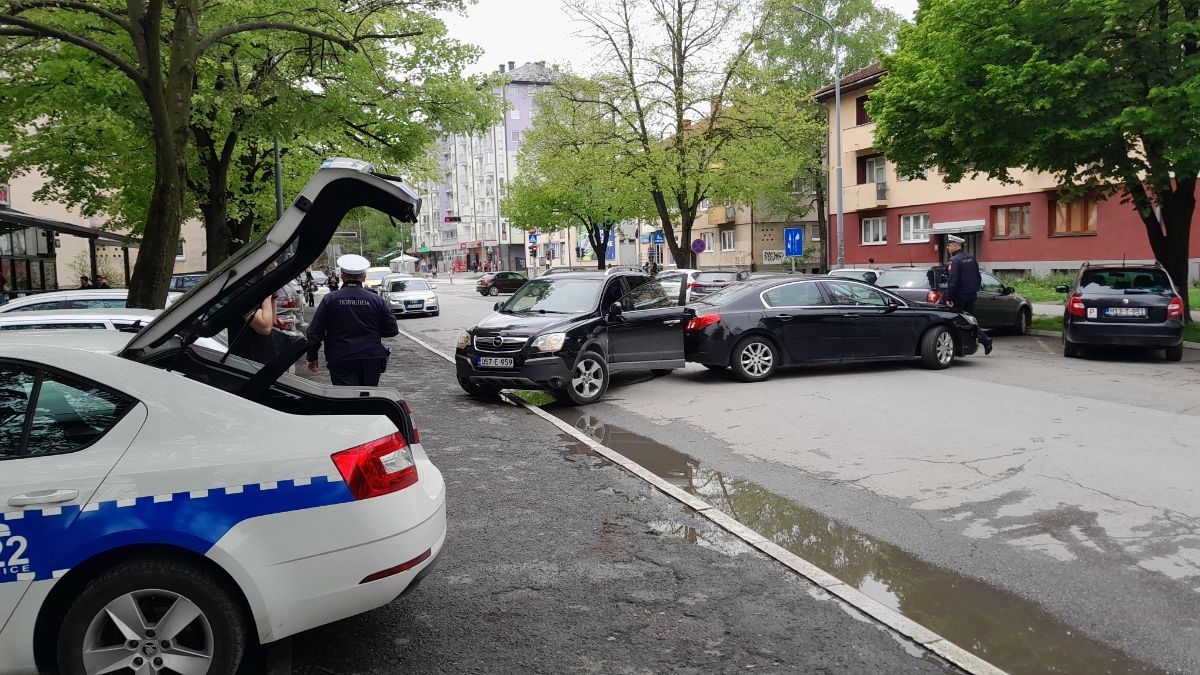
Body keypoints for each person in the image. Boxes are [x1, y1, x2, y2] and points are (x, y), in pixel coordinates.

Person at [305, 254, 399, 386]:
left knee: (347, 400)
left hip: (341, 358)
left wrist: (312, 356)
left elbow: (315, 332)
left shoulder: (330, 299)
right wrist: (372, 331)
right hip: (371, 357)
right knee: (369, 397)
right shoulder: (376, 300)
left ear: (342, 276)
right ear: (364, 277)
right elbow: (392, 330)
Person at [945, 235, 994, 355]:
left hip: (959, 296)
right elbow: (978, 277)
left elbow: (953, 281)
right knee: (969, 320)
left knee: (958, 320)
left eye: (949, 245)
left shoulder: (955, 260)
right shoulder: (971, 258)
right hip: (971, 294)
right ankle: (982, 341)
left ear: (956, 245)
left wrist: (949, 298)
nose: (948, 248)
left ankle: (982, 340)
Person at [228, 293, 277, 364]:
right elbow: (265, 328)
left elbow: (272, 322)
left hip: (265, 358)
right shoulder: (242, 293)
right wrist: (268, 296)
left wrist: (274, 297)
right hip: (248, 361)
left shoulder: (258, 292)